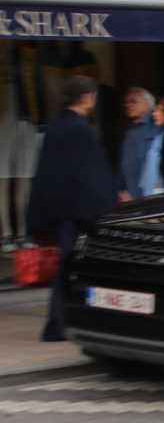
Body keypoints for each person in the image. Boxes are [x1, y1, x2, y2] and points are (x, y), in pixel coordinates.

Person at [26, 75, 117, 342]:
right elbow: (93, 173)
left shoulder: (55, 127)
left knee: (67, 266)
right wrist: (112, 203)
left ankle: (66, 322)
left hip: (59, 211)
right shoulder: (81, 130)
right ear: (86, 98)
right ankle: (58, 324)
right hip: (78, 213)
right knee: (75, 268)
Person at [117, 87, 162, 201]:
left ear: (147, 103)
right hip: (130, 197)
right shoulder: (129, 130)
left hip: (151, 196)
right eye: (126, 102)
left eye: (133, 101)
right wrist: (120, 189)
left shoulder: (156, 125)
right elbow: (123, 163)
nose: (129, 105)